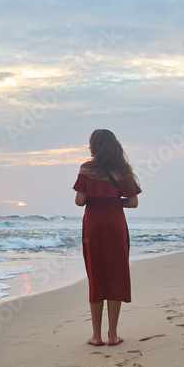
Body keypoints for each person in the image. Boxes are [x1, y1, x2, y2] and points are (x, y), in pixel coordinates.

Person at [72, 129, 141, 347]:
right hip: (115, 225)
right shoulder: (122, 170)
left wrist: (98, 200)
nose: (89, 147)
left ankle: (96, 336)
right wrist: (113, 201)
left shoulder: (86, 169)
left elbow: (80, 202)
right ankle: (113, 335)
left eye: (90, 143)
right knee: (116, 274)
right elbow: (132, 202)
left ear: (96, 146)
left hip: (94, 226)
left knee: (96, 274)